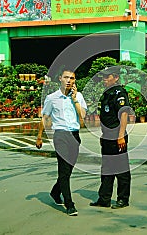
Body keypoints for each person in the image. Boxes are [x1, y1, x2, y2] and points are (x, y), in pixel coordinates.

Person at [36, 69, 86, 216]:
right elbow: (45, 118)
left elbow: (82, 116)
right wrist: (39, 137)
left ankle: (55, 191)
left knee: (68, 169)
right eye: (66, 78)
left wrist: (75, 99)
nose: (69, 81)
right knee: (63, 169)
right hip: (60, 136)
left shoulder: (79, 96)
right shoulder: (52, 98)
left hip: (75, 135)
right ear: (60, 79)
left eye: (72, 78)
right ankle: (69, 204)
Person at [90, 66, 132, 209]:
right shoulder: (107, 93)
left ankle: (123, 199)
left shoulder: (119, 93)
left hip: (117, 137)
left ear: (116, 78)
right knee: (106, 169)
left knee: (121, 170)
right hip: (107, 137)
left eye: (107, 77)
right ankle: (104, 198)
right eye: (103, 77)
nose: (104, 80)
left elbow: (124, 114)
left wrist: (121, 136)